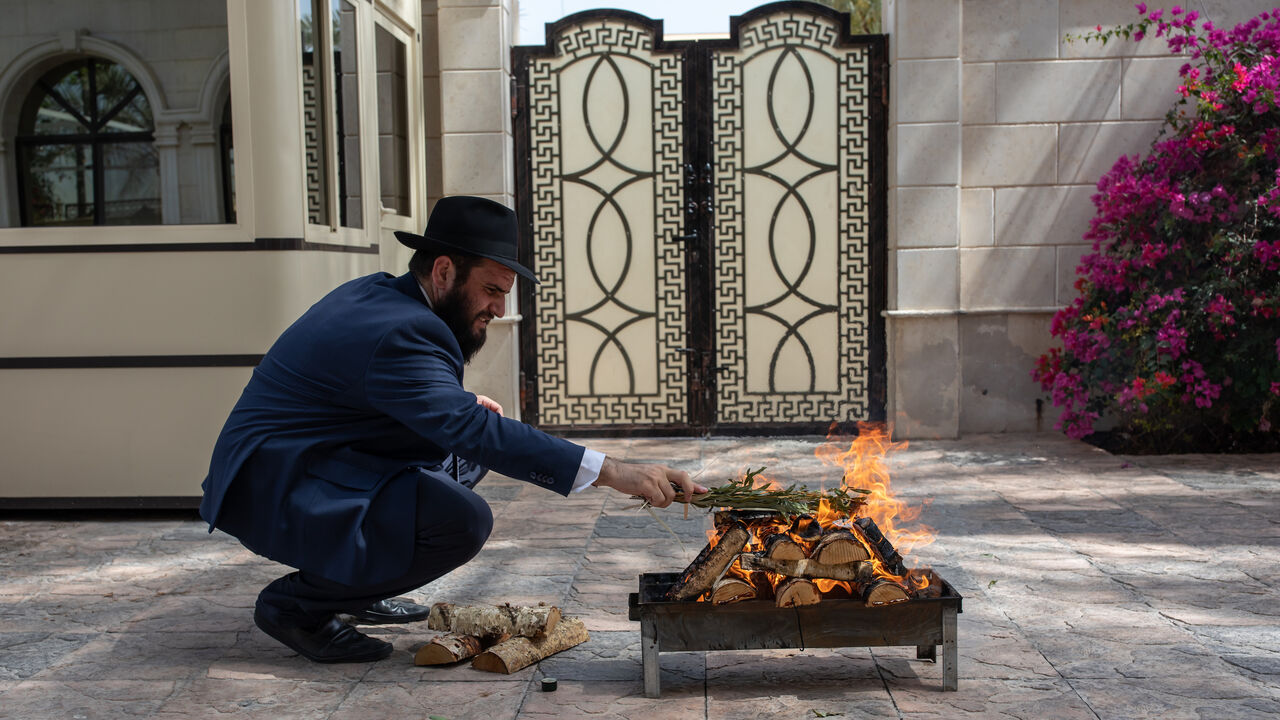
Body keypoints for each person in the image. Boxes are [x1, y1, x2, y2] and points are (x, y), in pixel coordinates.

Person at [199, 196, 705, 663]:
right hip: (276, 487)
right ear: (443, 270)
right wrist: (615, 471)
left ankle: (354, 582)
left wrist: (461, 408)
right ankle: (297, 606)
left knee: (472, 448)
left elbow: (392, 396)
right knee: (461, 519)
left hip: (302, 462)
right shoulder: (404, 330)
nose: (498, 309)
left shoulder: (385, 295)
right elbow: (461, 423)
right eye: (489, 290)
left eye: (504, 294)